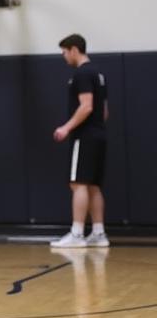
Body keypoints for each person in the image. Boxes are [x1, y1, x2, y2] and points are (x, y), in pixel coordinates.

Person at [50, 33, 109, 249]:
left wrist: (66, 128)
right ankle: (99, 233)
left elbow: (87, 106)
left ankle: (77, 234)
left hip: (84, 137)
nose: (64, 57)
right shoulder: (98, 73)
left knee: (78, 184)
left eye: (64, 52)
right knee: (93, 186)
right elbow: (104, 112)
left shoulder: (82, 74)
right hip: (99, 135)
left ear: (74, 49)